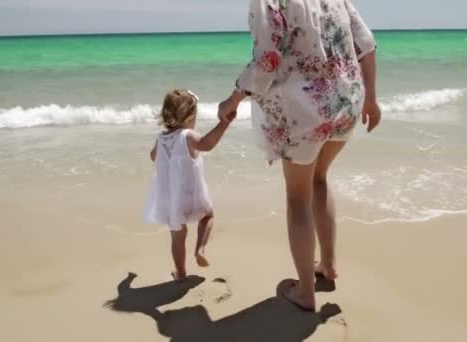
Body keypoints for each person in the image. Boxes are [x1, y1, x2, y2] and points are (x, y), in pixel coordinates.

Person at [218, 0, 381, 311]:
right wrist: (371, 99)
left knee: (297, 197)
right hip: (346, 101)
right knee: (319, 178)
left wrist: (233, 98)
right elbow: (367, 44)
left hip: (303, 111)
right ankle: (328, 266)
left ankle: (306, 293)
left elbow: (267, 59)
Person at [144, 89, 235, 280]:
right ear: (190, 117)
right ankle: (200, 250)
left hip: (171, 200)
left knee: (177, 236)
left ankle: (181, 272)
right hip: (192, 194)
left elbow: (153, 156)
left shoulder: (161, 138)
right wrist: (223, 124)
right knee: (208, 216)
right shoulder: (187, 136)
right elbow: (206, 144)